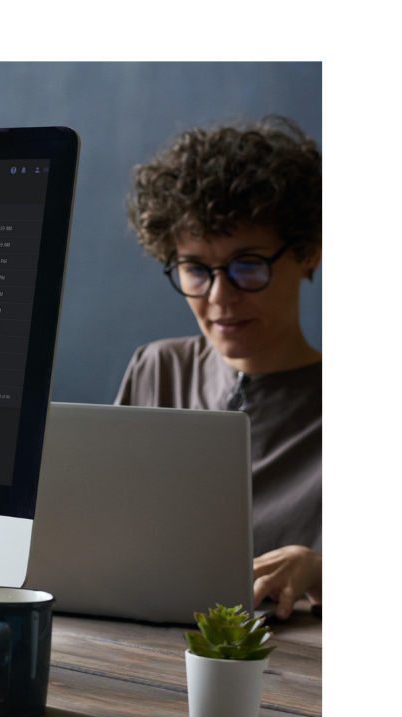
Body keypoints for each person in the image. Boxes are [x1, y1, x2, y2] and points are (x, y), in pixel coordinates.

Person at [120, 116, 323, 620]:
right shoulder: (157, 369)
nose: (219, 297)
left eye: (248, 265)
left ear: (309, 254)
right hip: (141, 656)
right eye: (195, 269)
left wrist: (318, 570)